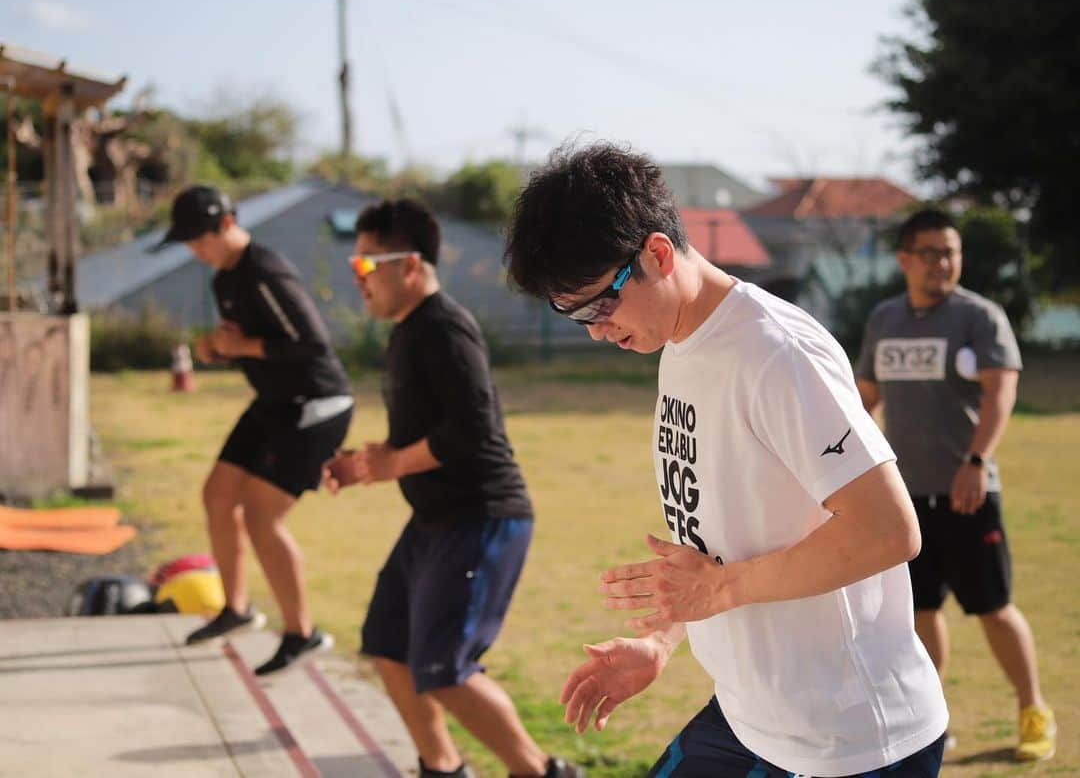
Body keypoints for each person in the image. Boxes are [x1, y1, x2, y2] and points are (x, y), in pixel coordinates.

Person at [504, 144, 949, 778]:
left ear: (657, 254)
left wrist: (717, 589)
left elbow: (888, 530)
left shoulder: (777, 354)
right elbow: (719, 540)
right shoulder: (679, 345)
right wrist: (662, 637)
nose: (596, 330)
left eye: (598, 305)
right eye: (572, 315)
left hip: (850, 740)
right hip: (751, 718)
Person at [321, 198, 582, 778]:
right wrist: (364, 463)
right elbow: (417, 443)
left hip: (482, 517)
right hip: (434, 521)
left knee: (445, 667)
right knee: (389, 646)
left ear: (408, 264)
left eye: (367, 265)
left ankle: (542, 773)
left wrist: (391, 463)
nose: (357, 279)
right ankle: (443, 769)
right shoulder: (407, 334)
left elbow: (472, 428)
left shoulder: (444, 327)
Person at [855, 208, 1056, 761]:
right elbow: (862, 397)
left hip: (969, 492)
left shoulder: (979, 317)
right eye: (930, 252)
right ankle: (931, 723)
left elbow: (1001, 392)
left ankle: (1033, 709)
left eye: (950, 252)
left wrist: (976, 461)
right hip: (906, 500)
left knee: (993, 607)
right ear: (904, 259)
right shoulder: (885, 319)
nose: (942, 262)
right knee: (920, 614)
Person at [155, 184, 353, 675]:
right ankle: (236, 609)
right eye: (189, 244)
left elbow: (309, 344)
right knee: (218, 495)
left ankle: (302, 633)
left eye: (200, 240)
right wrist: (217, 350)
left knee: (262, 517)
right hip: (273, 402)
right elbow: (246, 341)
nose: (196, 252)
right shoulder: (223, 279)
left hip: (316, 403)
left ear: (226, 223)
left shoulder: (264, 269)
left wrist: (239, 349)